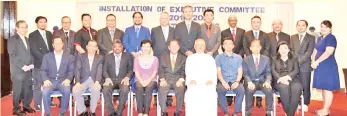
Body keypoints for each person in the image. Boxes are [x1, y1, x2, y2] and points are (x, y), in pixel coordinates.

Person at [41, 37, 75, 116]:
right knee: (45, 92)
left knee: (67, 91)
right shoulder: (47, 56)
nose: (58, 45)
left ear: (63, 44)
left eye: (60, 43)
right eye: (56, 43)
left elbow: (71, 71)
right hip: (50, 81)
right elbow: (43, 70)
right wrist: (45, 80)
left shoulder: (70, 57)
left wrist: (68, 80)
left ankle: (62, 113)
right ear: (53, 45)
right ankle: (48, 113)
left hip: (63, 81)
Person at [312, 20, 340, 116]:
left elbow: (328, 52)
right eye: (322, 26)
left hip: (328, 66)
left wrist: (317, 62)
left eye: (326, 27)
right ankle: (325, 109)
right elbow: (315, 51)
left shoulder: (331, 38)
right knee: (323, 88)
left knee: (327, 88)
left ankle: (325, 110)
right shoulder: (319, 38)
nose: (323, 28)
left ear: (330, 28)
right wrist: (313, 62)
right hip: (320, 66)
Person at [8, 20, 35, 115]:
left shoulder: (27, 39)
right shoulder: (12, 40)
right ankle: (16, 109)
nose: (24, 29)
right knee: (18, 91)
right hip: (18, 70)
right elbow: (13, 55)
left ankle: (26, 106)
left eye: (25, 27)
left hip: (28, 70)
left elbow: (29, 54)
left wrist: (31, 64)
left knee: (28, 89)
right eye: (22, 27)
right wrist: (23, 66)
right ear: (17, 28)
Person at [243, 15, 271, 108]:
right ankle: (250, 106)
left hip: (262, 61)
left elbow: (267, 47)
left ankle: (259, 101)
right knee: (252, 80)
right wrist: (251, 56)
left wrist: (261, 57)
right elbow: (245, 47)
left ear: (260, 23)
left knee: (261, 77)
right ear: (251, 24)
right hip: (251, 59)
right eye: (254, 22)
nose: (256, 24)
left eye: (257, 22)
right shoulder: (246, 34)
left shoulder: (265, 35)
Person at [185, 39, 217, 116]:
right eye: (198, 45)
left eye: (202, 45)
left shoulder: (210, 58)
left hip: (207, 82)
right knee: (193, 90)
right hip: (194, 82)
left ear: (205, 46)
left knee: (210, 90)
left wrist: (211, 80)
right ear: (194, 46)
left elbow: (213, 72)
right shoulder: (190, 58)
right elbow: (187, 71)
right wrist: (191, 79)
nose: (200, 47)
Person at [28, 16, 54, 110]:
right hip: (39, 63)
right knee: (38, 85)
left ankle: (49, 102)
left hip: (50, 65)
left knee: (49, 84)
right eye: (40, 22)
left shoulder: (49, 33)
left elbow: (52, 48)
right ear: (37, 24)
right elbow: (33, 50)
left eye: (44, 22)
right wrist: (46, 59)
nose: (43, 24)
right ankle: (37, 104)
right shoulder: (32, 35)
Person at [102, 39, 133, 116]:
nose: (117, 48)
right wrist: (107, 78)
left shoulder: (128, 56)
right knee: (105, 89)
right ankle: (111, 113)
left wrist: (127, 78)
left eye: (119, 46)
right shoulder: (108, 56)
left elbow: (131, 70)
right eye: (115, 47)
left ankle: (119, 113)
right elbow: (104, 69)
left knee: (125, 89)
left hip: (123, 80)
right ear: (112, 48)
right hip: (110, 80)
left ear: (122, 47)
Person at [290, 20, 315, 112]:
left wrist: (298, 61)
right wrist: (294, 62)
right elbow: (291, 50)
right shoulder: (292, 37)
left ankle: (305, 103)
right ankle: (296, 103)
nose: (300, 27)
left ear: (306, 27)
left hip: (305, 65)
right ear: (296, 26)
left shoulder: (311, 38)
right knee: (295, 85)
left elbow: (309, 53)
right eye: (299, 25)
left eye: (303, 25)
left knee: (305, 85)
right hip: (293, 66)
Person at [72, 40, 103, 116]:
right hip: (83, 80)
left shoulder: (100, 57)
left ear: (96, 48)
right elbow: (77, 69)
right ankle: (83, 111)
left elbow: (100, 70)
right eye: (90, 45)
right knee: (75, 90)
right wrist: (78, 82)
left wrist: (97, 82)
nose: (92, 48)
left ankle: (92, 111)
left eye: (94, 46)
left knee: (96, 89)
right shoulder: (81, 56)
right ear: (87, 47)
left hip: (95, 80)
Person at [220, 15, 246, 105]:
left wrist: (238, 55)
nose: (233, 22)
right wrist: (229, 53)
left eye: (235, 20)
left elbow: (244, 45)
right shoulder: (223, 32)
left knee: (237, 77)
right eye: (231, 20)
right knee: (228, 75)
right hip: (227, 57)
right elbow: (222, 45)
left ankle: (237, 98)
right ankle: (229, 99)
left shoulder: (242, 31)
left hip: (239, 57)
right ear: (228, 21)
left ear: (237, 21)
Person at [243, 40, 273, 116]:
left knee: (269, 90)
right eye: (253, 46)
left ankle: (269, 111)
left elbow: (268, 73)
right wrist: (249, 82)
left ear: (260, 47)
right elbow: (245, 73)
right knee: (249, 91)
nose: (255, 48)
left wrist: (267, 81)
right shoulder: (246, 59)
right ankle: (248, 111)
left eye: (257, 46)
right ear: (250, 48)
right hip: (251, 82)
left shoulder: (266, 59)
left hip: (262, 82)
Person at [216, 37, 245, 116]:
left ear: (233, 46)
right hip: (223, 80)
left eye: (230, 44)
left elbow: (240, 71)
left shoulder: (238, 57)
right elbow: (218, 71)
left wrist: (237, 81)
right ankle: (225, 112)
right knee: (220, 90)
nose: (228, 45)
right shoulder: (218, 57)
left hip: (235, 80)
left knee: (241, 90)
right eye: (226, 43)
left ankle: (235, 112)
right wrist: (223, 82)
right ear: (223, 46)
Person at [271, 41, 301, 116]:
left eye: (285, 48)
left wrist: (288, 77)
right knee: (284, 88)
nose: (283, 50)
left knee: (297, 88)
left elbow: (296, 70)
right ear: (278, 50)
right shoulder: (274, 59)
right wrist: (281, 79)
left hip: (292, 78)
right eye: (281, 48)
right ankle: (290, 113)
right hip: (279, 80)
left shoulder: (294, 58)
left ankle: (289, 114)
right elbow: (273, 70)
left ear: (288, 50)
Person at [158, 40, 186, 116]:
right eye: (172, 46)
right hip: (166, 80)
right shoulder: (163, 57)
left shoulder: (183, 58)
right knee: (161, 89)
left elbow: (183, 71)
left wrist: (181, 80)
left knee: (181, 89)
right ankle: (164, 112)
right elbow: (160, 69)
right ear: (169, 47)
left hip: (178, 80)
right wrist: (162, 79)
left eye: (176, 45)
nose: (174, 47)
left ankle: (177, 112)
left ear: (179, 47)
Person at [133, 40, 159, 116]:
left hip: (151, 80)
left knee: (149, 87)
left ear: (151, 48)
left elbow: (154, 72)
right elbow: (136, 72)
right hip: (139, 80)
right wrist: (141, 81)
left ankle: (146, 112)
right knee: (139, 86)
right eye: (144, 46)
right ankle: (140, 112)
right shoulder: (136, 59)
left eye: (148, 46)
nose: (146, 48)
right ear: (141, 47)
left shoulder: (155, 59)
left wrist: (147, 81)